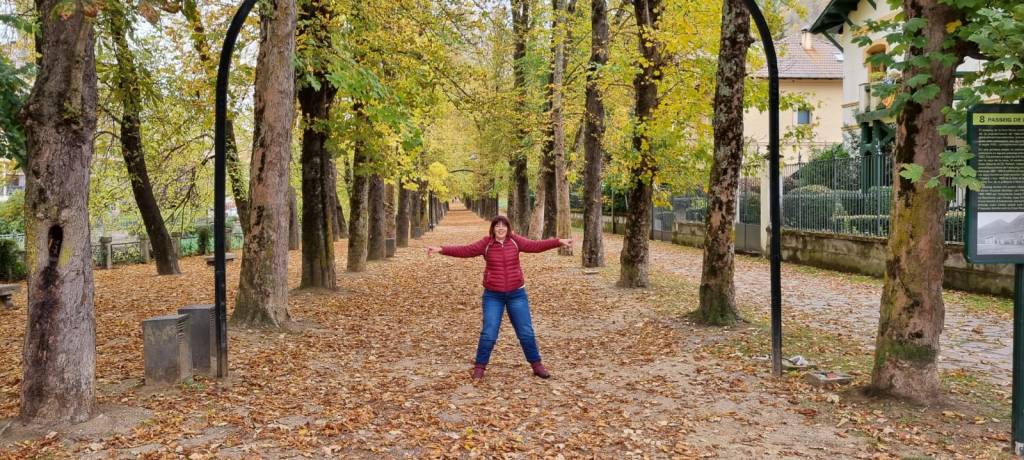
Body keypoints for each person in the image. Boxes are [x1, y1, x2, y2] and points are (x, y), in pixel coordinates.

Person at [427, 215, 572, 379]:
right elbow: (465, 250)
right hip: (492, 296)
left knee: (525, 332)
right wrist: (441, 249)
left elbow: (536, 246)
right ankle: (480, 367)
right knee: (489, 333)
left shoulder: (515, 241)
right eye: (497, 226)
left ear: (508, 228)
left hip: (517, 294)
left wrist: (558, 241)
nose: (501, 228)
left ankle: (537, 365)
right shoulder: (486, 244)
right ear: (493, 228)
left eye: (504, 225)